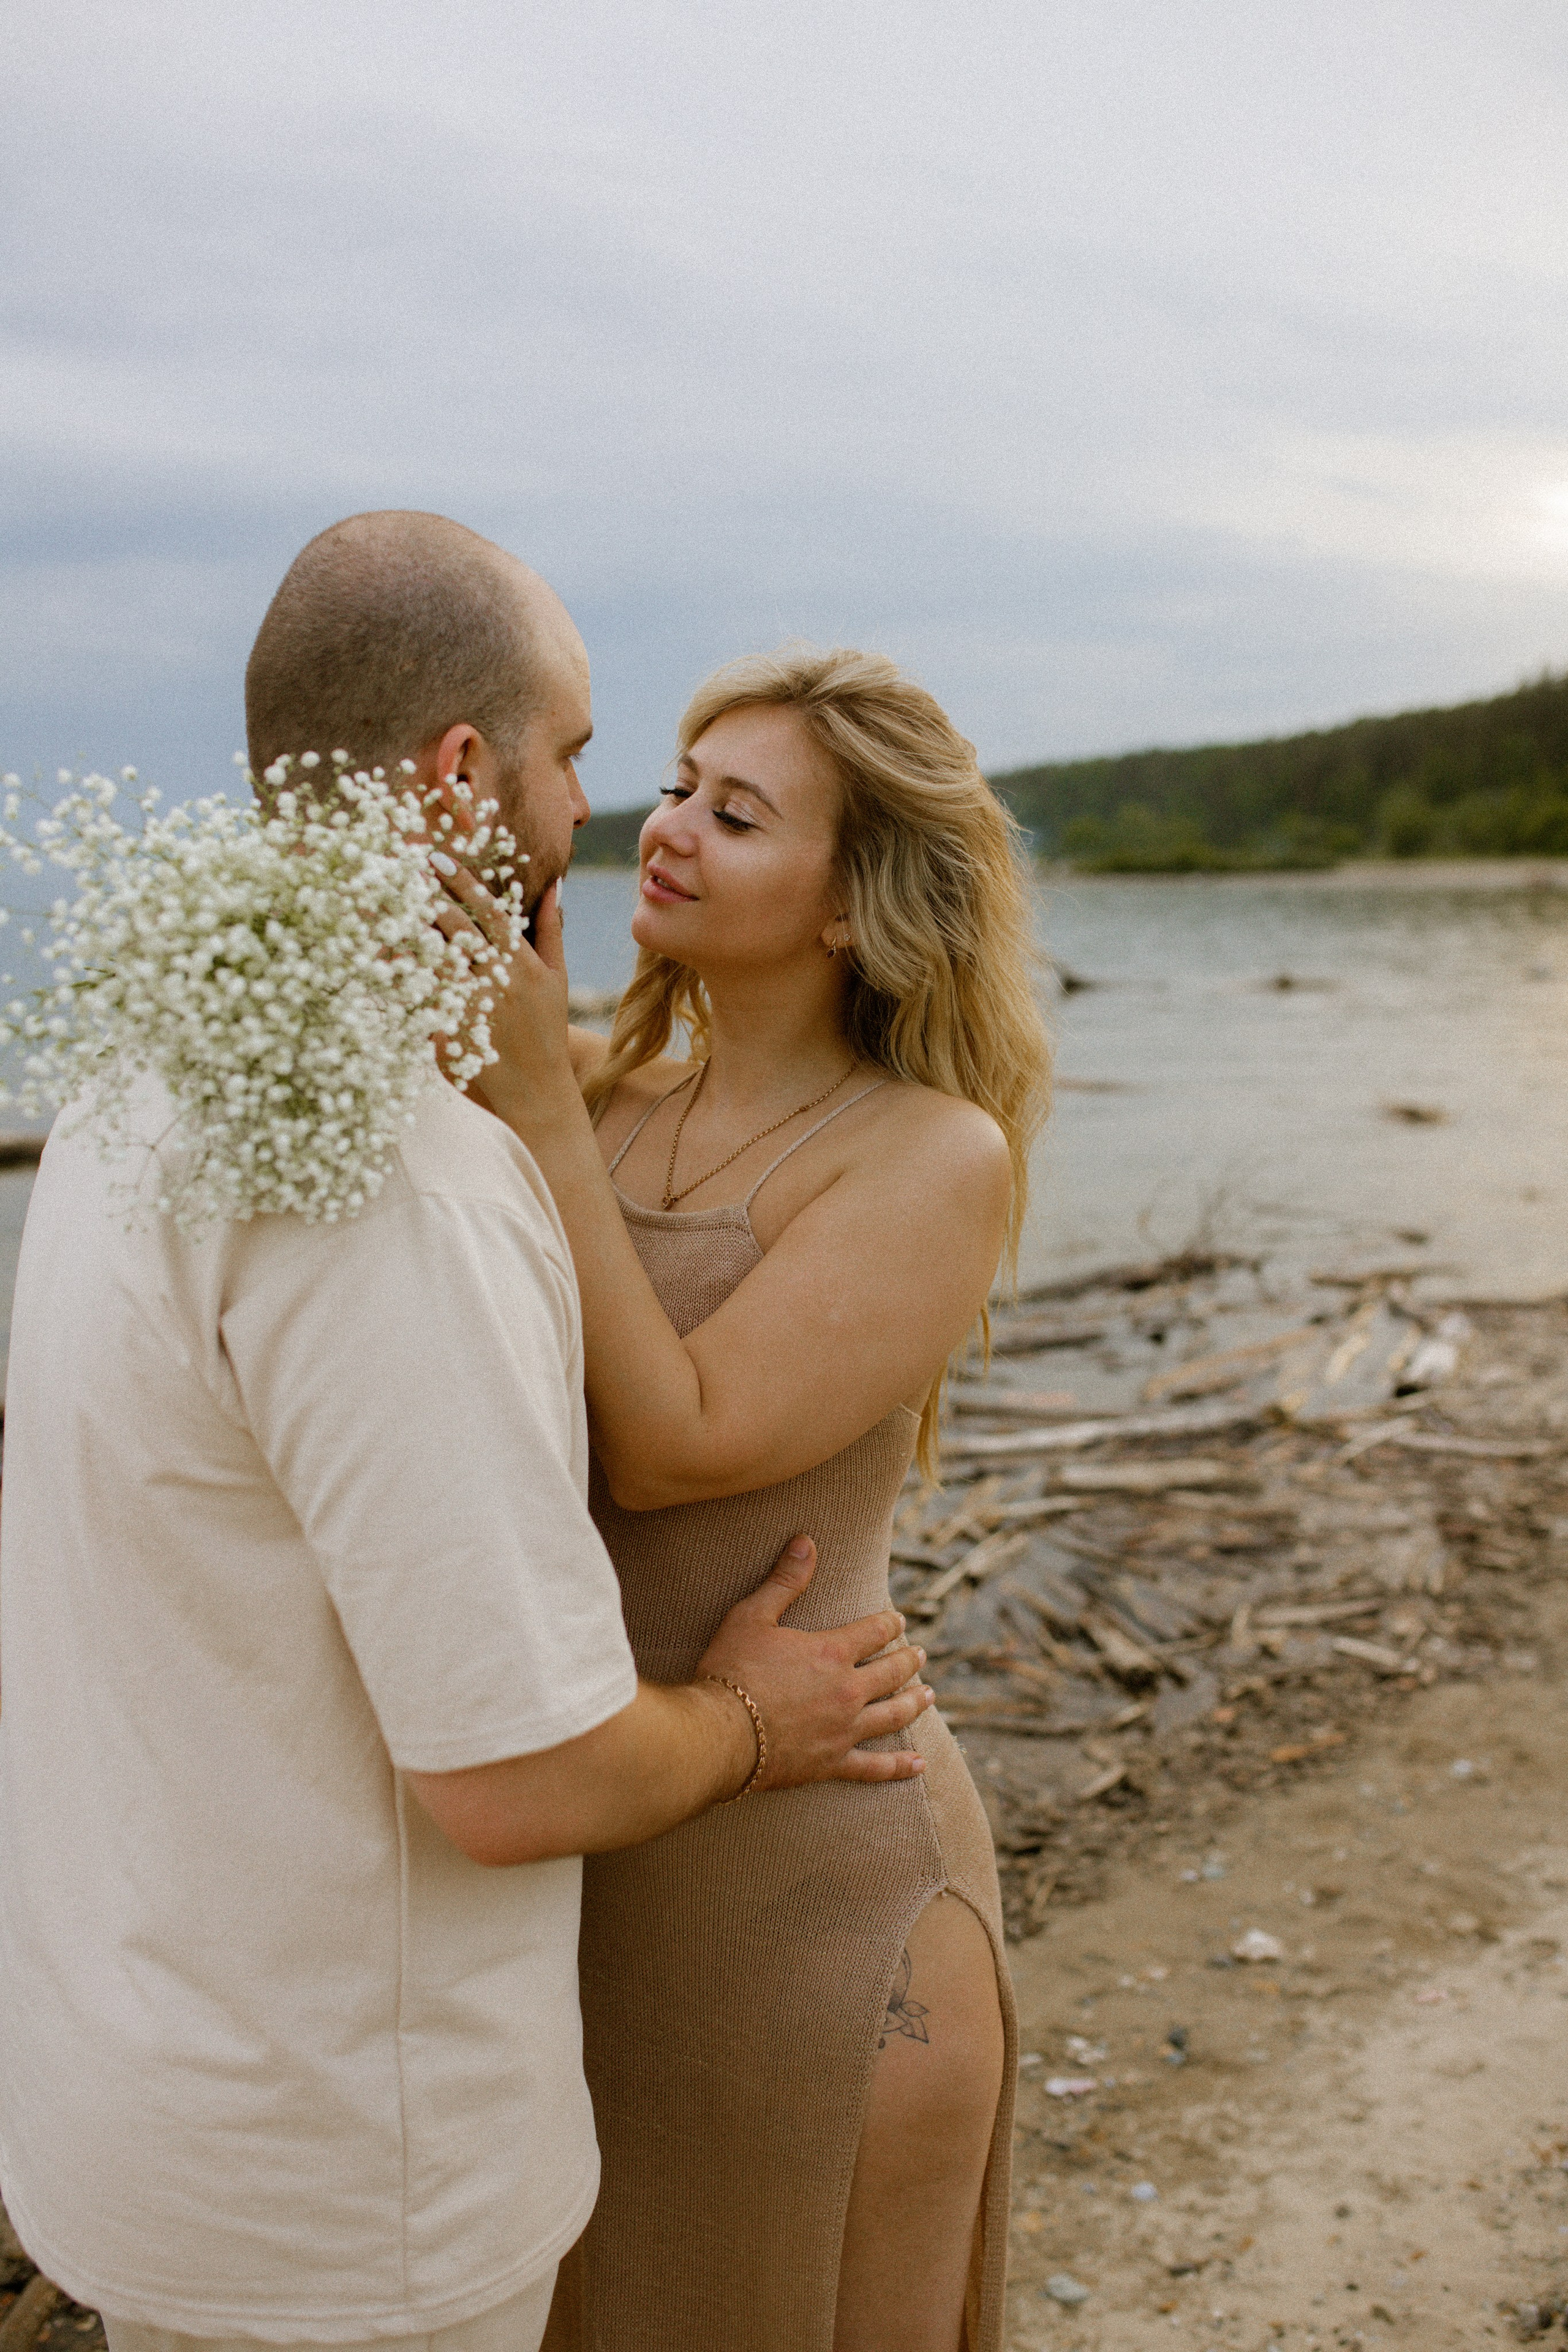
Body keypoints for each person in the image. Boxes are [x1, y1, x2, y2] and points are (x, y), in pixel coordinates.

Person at [0, 516, 935, 2352]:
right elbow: (517, 1779)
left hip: (142, 2094)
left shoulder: (131, 1083)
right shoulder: (393, 1182)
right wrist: (759, 1718)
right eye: (583, 754)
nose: (606, 811)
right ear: (458, 771)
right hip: (348, 2189)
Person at [441, 644, 1052, 2352]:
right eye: (678, 784)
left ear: (855, 904)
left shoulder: (929, 1151)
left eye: (740, 810)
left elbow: (677, 1442)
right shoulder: (606, 1096)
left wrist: (542, 1098)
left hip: (823, 1896)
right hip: (601, 1853)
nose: (669, 826)